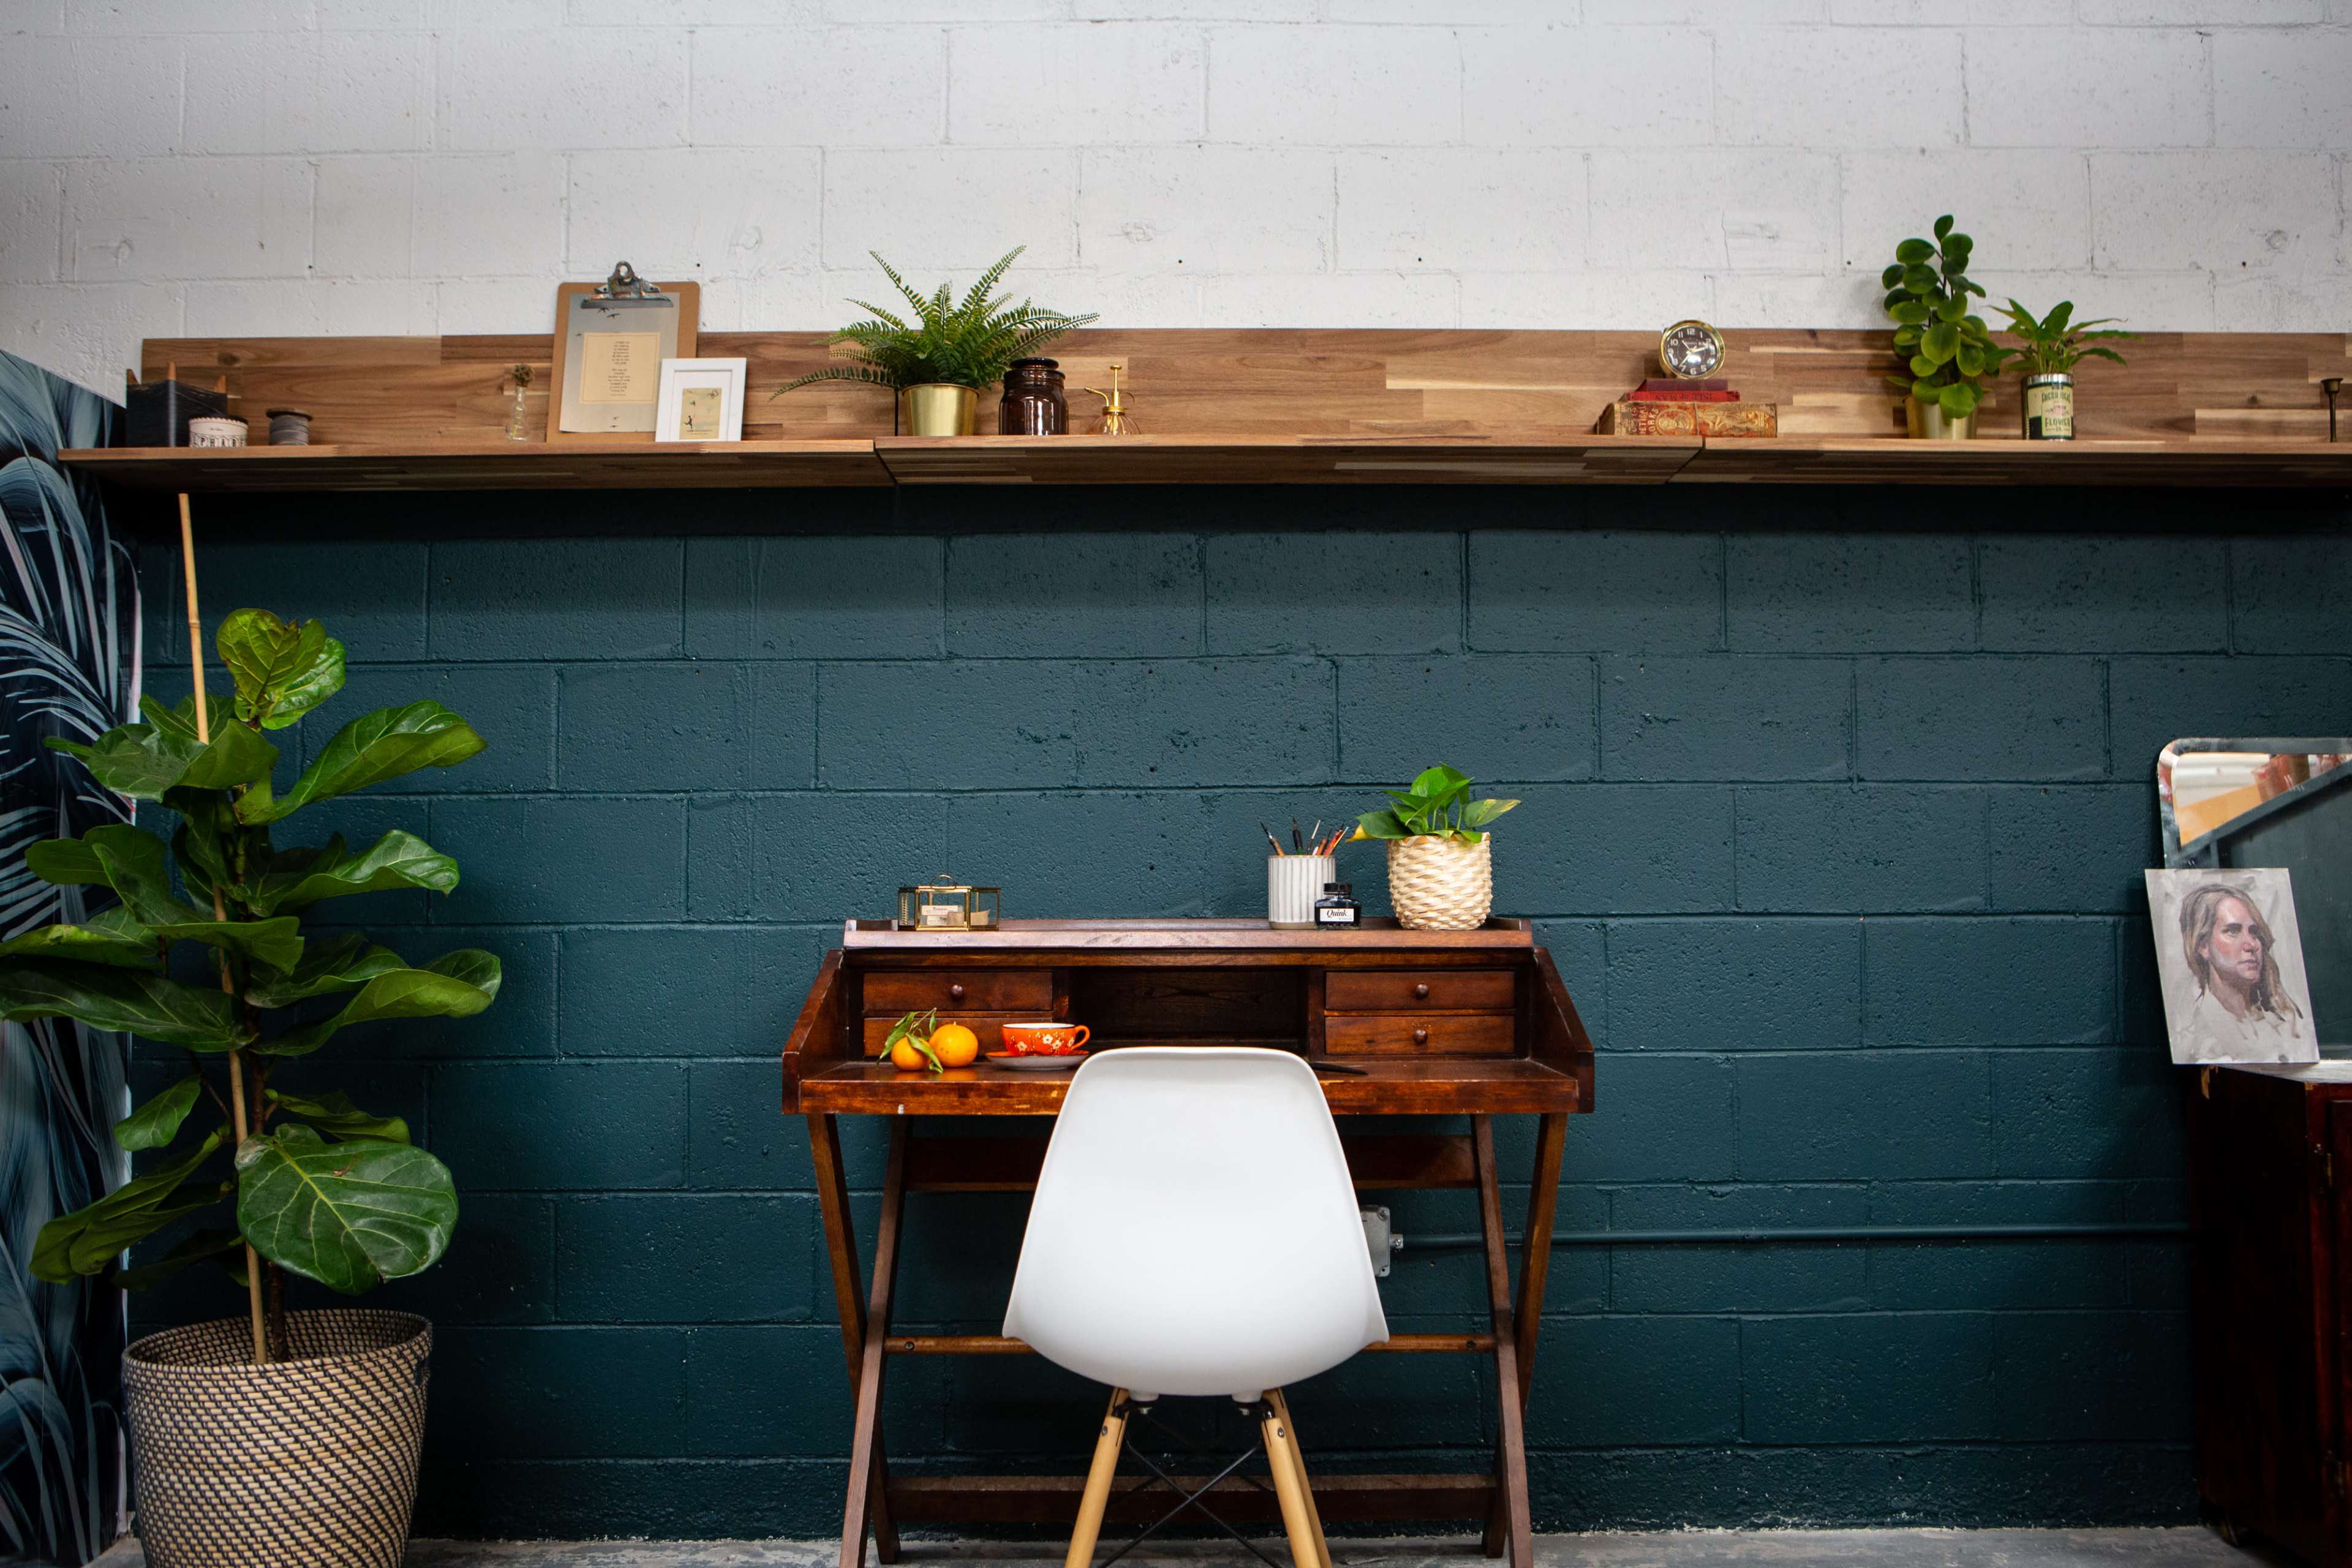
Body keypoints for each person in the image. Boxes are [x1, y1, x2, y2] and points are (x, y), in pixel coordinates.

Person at [2176, 882, 2310, 1062]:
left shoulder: (2282, 1023)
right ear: (2203, 946)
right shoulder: (2197, 1038)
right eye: (2233, 931)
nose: (2252, 945)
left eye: (2254, 932)